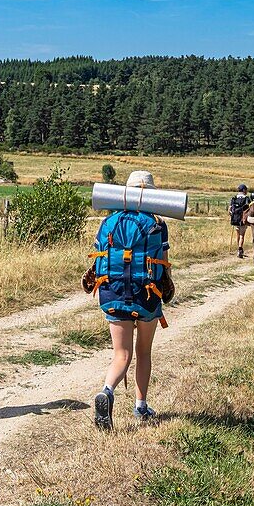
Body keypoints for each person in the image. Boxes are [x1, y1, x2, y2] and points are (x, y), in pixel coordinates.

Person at [90, 170, 173, 430]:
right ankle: (141, 407)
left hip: (113, 293)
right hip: (147, 296)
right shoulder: (157, 223)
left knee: (121, 354)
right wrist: (168, 285)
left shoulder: (109, 222)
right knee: (143, 352)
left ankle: (107, 391)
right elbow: (165, 264)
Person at [228, 184, 252, 258]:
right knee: (242, 236)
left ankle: (239, 249)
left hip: (235, 219)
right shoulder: (247, 198)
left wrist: (232, 215)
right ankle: (240, 250)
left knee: (238, 235)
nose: (247, 191)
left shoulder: (234, 198)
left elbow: (229, 210)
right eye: (246, 189)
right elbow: (250, 209)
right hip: (242, 220)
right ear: (244, 190)